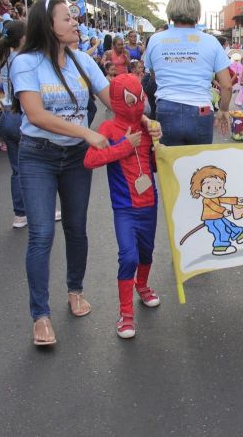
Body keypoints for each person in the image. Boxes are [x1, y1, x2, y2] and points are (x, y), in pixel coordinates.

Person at [11, 0, 160, 346]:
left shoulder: (82, 61)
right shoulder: (26, 62)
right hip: (38, 156)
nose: (75, 23)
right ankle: (41, 315)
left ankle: (75, 290)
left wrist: (147, 120)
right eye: (67, 18)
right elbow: (35, 114)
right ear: (47, 24)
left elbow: (117, 102)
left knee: (77, 229)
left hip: (76, 157)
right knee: (42, 234)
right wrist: (88, 132)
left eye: (75, 18)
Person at [84, 74, 160, 339]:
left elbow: (154, 166)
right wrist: (124, 147)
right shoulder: (108, 129)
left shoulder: (146, 126)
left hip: (149, 202)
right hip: (125, 207)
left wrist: (158, 143)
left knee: (147, 251)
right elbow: (90, 160)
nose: (137, 104)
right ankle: (126, 313)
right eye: (131, 99)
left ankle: (143, 285)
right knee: (128, 256)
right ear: (117, 101)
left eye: (141, 98)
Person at [145, 0, 232, 147]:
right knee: (199, 167)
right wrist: (224, 110)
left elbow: (153, 74)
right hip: (202, 111)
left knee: (171, 167)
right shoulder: (211, 41)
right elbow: (226, 85)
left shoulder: (155, 40)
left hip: (166, 109)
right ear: (196, 10)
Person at [0, 20, 31, 227]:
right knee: (37, 166)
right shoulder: (25, 59)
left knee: (17, 169)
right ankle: (41, 207)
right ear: (23, 37)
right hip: (22, 114)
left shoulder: (3, 58)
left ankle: (20, 213)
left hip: (6, 115)